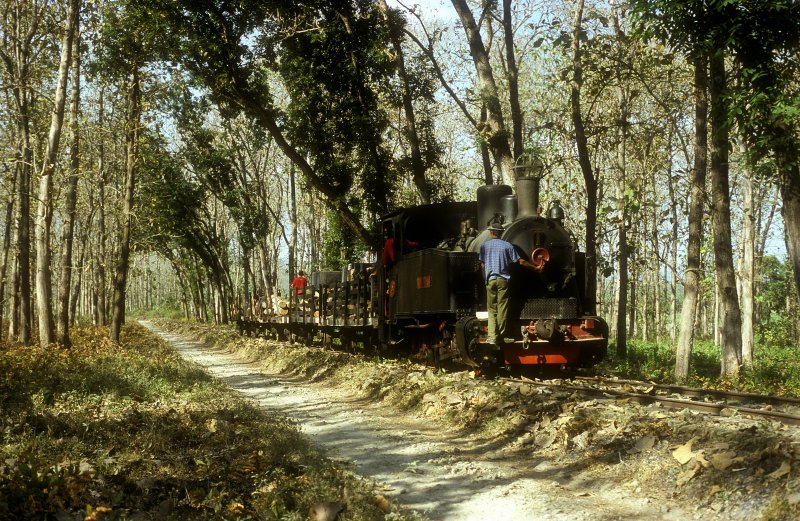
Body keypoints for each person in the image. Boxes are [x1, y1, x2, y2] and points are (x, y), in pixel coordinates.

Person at [479, 218, 537, 345]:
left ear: (491, 232)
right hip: (503, 280)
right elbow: (520, 261)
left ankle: (492, 336)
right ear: (500, 233)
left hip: (490, 280)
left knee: (491, 308)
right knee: (502, 308)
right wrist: (535, 267)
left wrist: (487, 275)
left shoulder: (484, 247)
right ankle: (501, 334)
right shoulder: (507, 246)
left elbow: (482, 265)